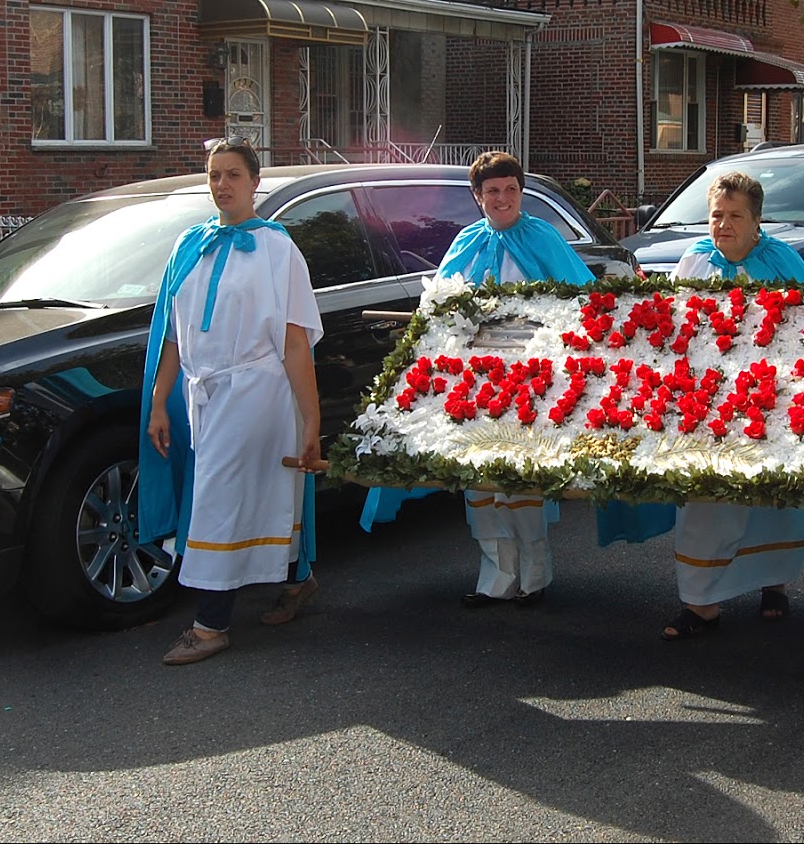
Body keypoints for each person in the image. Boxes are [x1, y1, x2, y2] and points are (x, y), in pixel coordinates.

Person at [361, 151, 594, 609]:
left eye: (510, 189)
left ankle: (534, 575)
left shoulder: (543, 237)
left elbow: (578, 301)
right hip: (472, 382)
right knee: (479, 481)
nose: (502, 198)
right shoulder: (466, 240)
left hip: (529, 382)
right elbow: (439, 307)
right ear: (477, 197)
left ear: (520, 192)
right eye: (492, 191)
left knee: (519, 478)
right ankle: (495, 576)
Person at [139, 136, 324, 665]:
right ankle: (299, 576)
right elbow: (172, 334)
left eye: (233, 175)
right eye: (214, 175)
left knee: (219, 500)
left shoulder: (277, 248)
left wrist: (310, 420)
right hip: (205, 394)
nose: (222, 184)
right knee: (263, 492)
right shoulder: (188, 246)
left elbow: (294, 341)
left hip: (256, 391)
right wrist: (159, 401)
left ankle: (211, 625)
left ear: (255, 182)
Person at [660, 171, 804, 640]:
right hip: (707, 397)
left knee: (772, 497)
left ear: (757, 220)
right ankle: (700, 603)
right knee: (708, 496)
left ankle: (773, 584)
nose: (723, 225)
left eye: (735, 216)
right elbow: (672, 324)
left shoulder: (784, 263)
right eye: (716, 216)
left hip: (772, 394)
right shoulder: (693, 262)